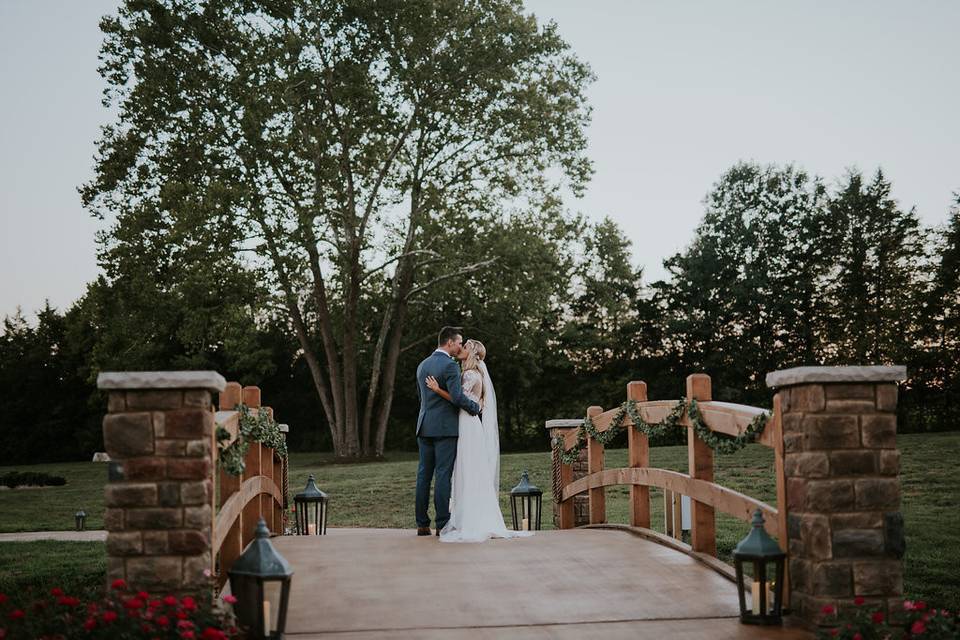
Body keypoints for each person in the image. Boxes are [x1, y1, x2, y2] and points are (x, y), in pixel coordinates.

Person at [425, 339, 532, 543]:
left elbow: (459, 400)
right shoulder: (473, 373)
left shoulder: (471, 375)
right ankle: (468, 516)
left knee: (468, 468)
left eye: (464, 347)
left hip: (467, 425)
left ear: (471, 353)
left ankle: (471, 519)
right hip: (469, 424)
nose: (461, 349)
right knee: (468, 468)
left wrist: (437, 389)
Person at [414, 327, 480, 536]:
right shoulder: (450, 366)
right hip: (444, 428)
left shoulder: (422, 365)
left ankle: (422, 524)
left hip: (424, 425)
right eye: (459, 342)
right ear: (449, 342)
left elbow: (422, 398)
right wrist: (475, 409)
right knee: (443, 474)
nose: (461, 346)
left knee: (424, 475)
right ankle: (442, 523)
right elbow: (458, 397)